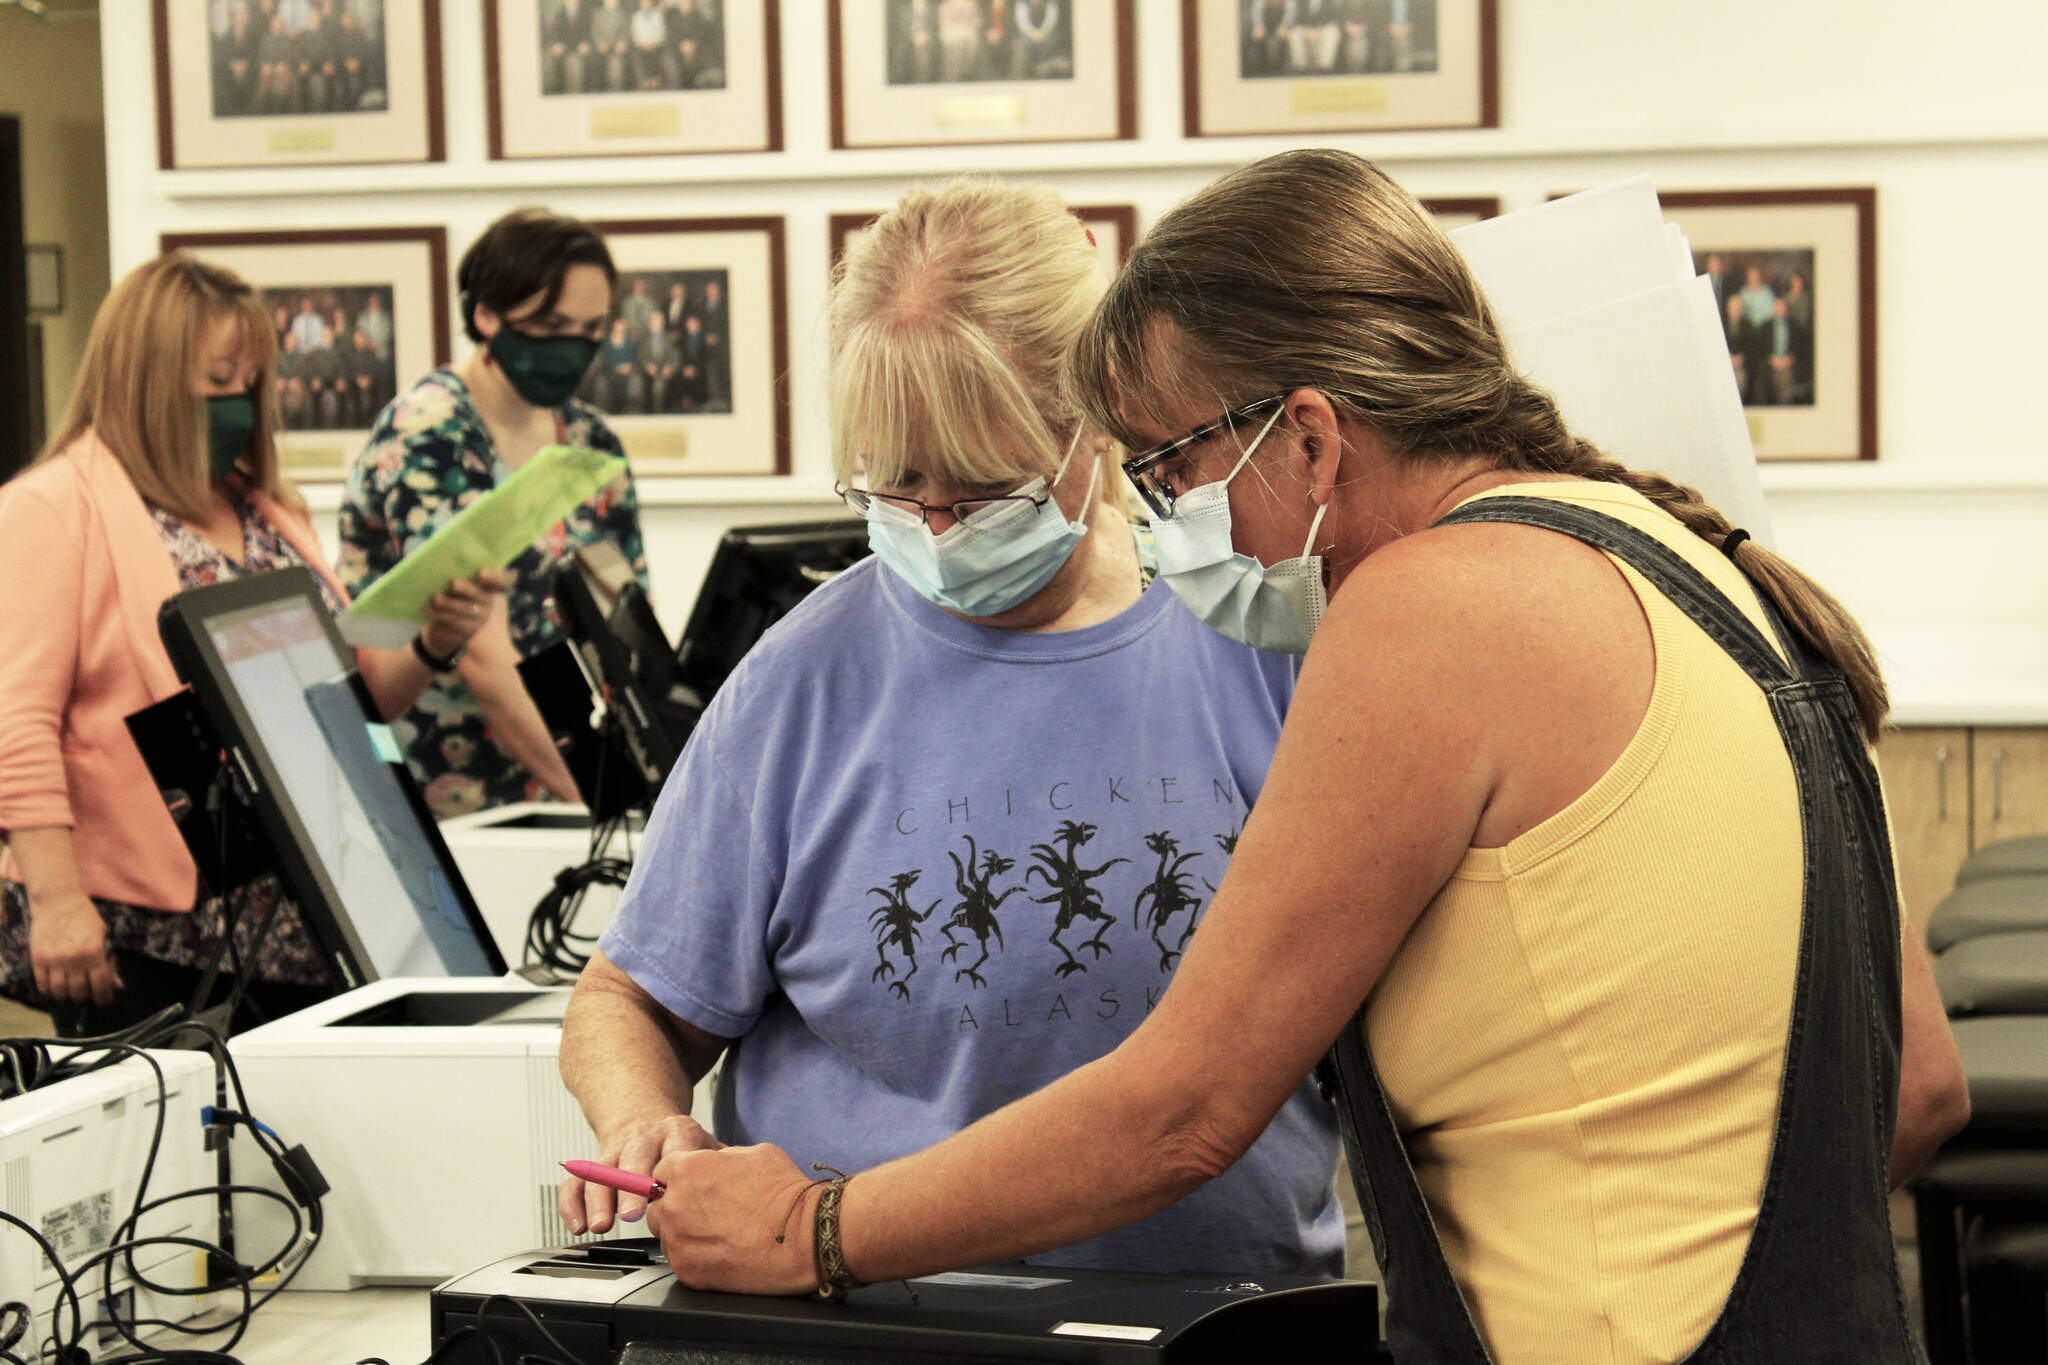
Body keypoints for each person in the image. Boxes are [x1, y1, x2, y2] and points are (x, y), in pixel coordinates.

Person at [637, 150, 1971, 1363]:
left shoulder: (1423, 607)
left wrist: (812, 1228)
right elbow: (1917, 1092)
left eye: (1173, 470)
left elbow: (1185, 1112)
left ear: (1316, 436)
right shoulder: (1703, 566)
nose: (1168, 524)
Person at [554, 180, 1344, 1280]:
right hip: (860, 1317)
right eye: (894, 485)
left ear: (1091, 428)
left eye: (980, 490)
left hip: (1209, 1315)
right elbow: (629, 994)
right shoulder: (804, 680)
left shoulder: (1257, 639)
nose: (933, 529)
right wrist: (643, 1117)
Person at [0, 253, 503, 1038]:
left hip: (306, 909)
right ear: (148, 378)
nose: (240, 401)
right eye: (220, 378)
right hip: (153, 925)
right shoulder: (50, 508)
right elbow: (16, 723)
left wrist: (435, 644)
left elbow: (352, 705)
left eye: (252, 380)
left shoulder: (266, 509)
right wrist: (57, 902)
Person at [337, 208, 648, 820]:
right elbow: (484, 658)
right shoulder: (432, 434)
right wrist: (611, 805)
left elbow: (627, 618)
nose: (574, 348)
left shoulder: (588, 440)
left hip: (572, 770)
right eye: (552, 324)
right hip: (463, 793)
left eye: (591, 329)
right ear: (485, 315)